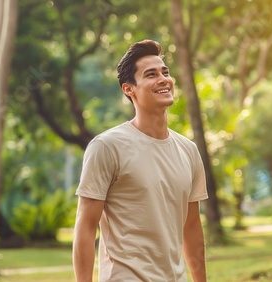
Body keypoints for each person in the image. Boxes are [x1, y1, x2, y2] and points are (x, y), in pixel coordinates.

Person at [72, 39, 208, 282]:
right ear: (129, 89)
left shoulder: (188, 150)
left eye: (165, 72)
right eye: (151, 74)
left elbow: (191, 226)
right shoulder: (107, 147)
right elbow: (85, 225)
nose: (163, 79)